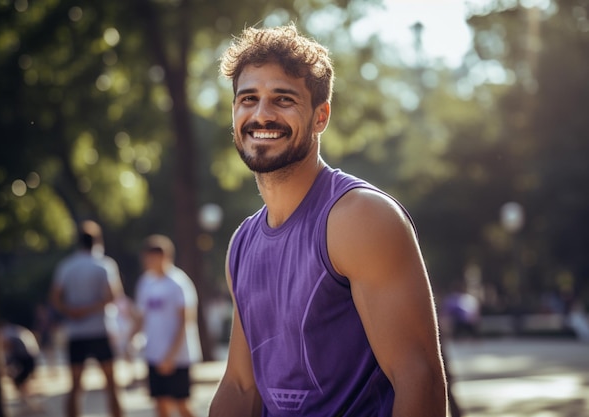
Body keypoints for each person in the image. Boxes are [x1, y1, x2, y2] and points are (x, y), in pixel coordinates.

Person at [209, 24, 448, 416]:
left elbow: (418, 378)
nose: (261, 114)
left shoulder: (360, 218)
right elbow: (240, 385)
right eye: (248, 99)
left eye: (282, 100)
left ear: (321, 117)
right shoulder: (243, 242)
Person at [49, 220, 123, 417]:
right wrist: (90, 309)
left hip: (76, 333)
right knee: (111, 385)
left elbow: (55, 299)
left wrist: (73, 311)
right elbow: (113, 296)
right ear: (97, 241)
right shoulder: (104, 265)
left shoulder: (66, 266)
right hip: (100, 330)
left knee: (75, 387)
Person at [132, 234, 196, 417]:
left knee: (182, 406)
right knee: (160, 404)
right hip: (153, 354)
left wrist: (171, 356)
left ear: (164, 256)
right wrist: (130, 340)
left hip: (178, 357)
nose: (147, 261)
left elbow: (186, 320)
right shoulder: (145, 282)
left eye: (151, 256)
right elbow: (141, 317)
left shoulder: (178, 282)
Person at [0, 322, 44, 413]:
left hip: (26, 359)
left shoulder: (6, 333)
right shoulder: (10, 331)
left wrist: (4, 366)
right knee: (19, 381)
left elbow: (9, 349)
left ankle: (31, 404)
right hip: (28, 358)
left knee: (20, 381)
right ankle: (27, 403)